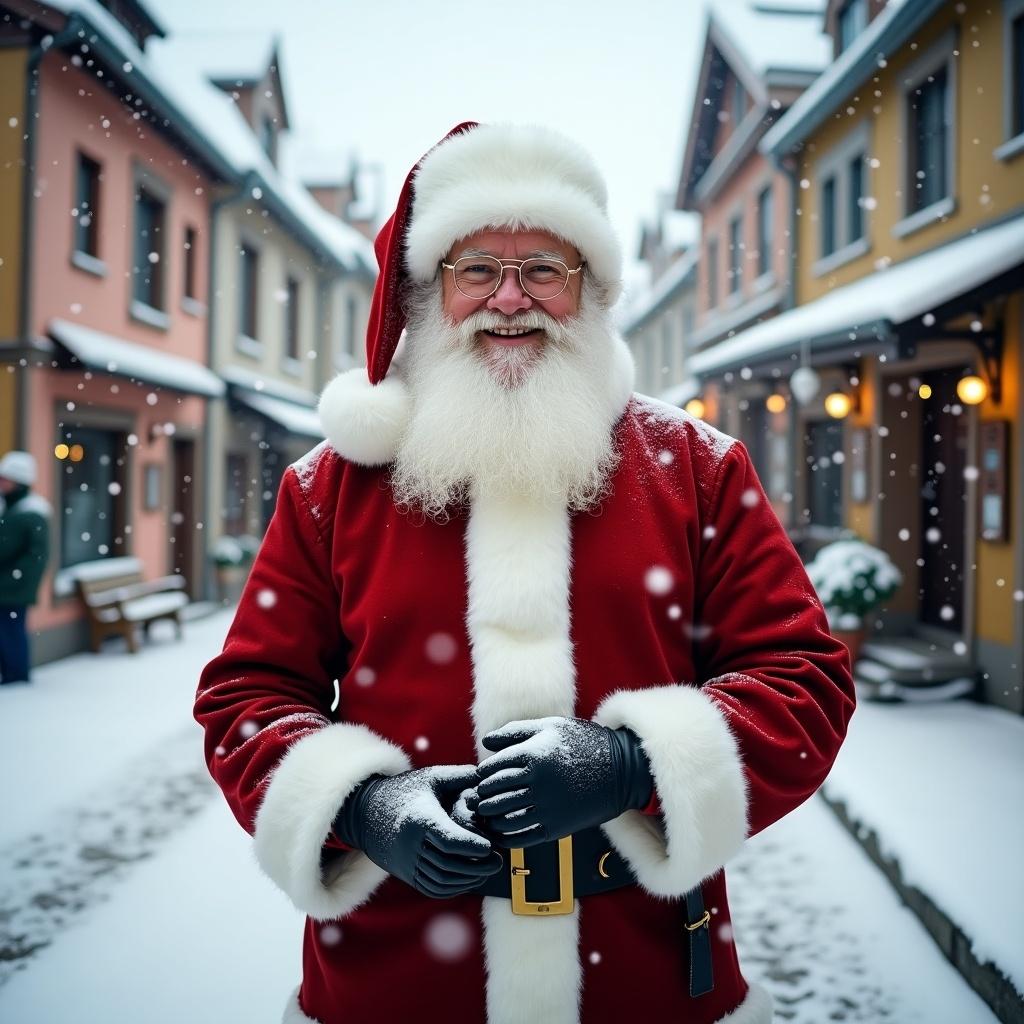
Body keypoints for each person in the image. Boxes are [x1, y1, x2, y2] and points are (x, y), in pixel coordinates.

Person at [196, 122, 855, 1024]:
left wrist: (630, 764)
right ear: (432, 292)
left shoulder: (699, 469)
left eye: (545, 267)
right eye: (478, 270)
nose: (513, 300)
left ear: (589, 287)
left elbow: (806, 681)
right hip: (398, 971)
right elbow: (248, 697)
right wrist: (362, 803)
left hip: (643, 963)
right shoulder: (330, 489)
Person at [0, 450, 52, 685]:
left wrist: (12, 580)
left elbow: (35, 557)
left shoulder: (30, 513)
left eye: (6, 479)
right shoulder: (11, 508)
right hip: (8, 584)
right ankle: (11, 672)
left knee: (11, 632)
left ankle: (16, 674)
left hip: (12, 588)